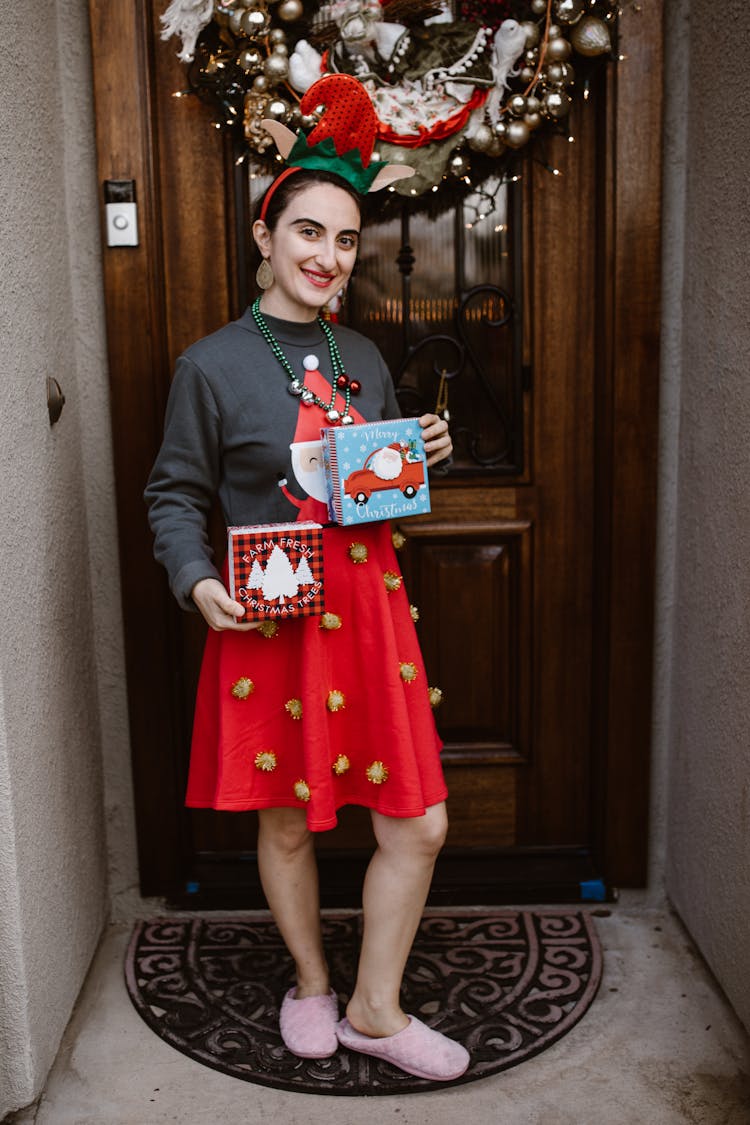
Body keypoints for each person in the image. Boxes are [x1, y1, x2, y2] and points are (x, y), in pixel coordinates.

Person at [145, 75, 469, 1083]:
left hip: (369, 616)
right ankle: (314, 984)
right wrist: (198, 583)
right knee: (285, 818)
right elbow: (172, 495)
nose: (328, 258)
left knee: (418, 821)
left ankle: (377, 1005)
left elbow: (374, 498)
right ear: (264, 233)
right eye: (308, 234)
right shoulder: (210, 366)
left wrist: (420, 462)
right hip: (271, 617)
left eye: (344, 241)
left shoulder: (365, 353)